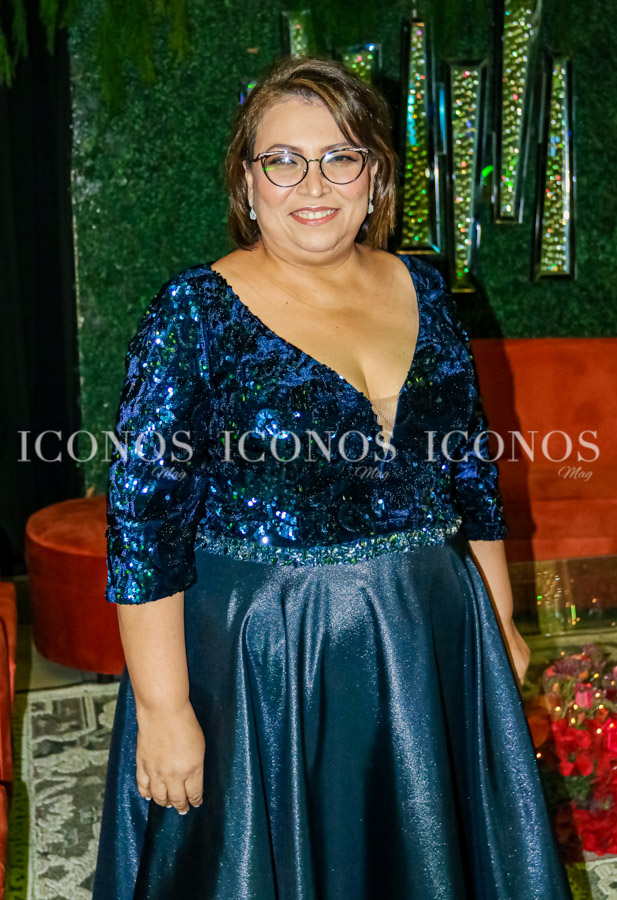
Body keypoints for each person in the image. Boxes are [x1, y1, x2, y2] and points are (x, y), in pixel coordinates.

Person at [92, 55, 573, 900]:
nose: (312, 183)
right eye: (282, 159)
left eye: (339, 157)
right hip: (265, 656)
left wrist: (496, 619)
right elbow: (143, 530)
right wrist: (165, 711)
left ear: (374, 175)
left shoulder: (425, 288)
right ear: (247, 181)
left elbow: (468, 473)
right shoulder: (194, 313)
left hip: (425, 628)